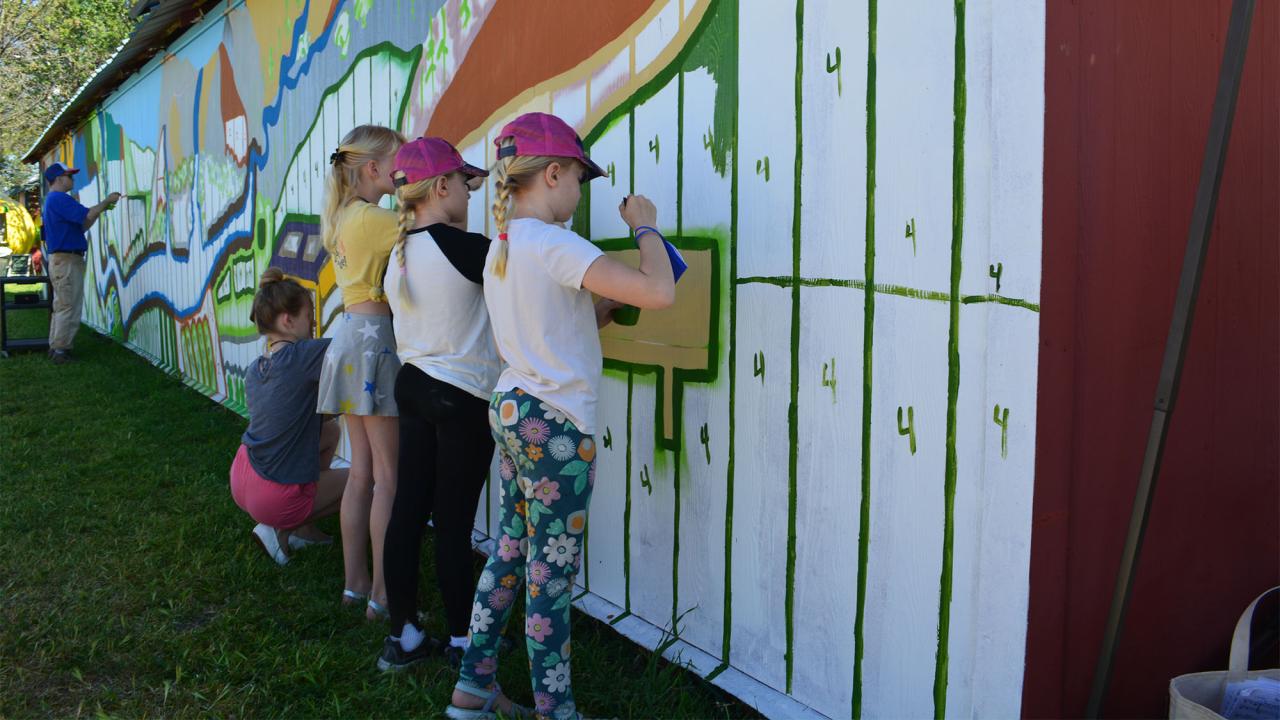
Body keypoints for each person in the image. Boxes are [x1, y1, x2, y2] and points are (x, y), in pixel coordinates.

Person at [446, 112, 676, 720]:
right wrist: (645, 227)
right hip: (557, 428)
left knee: (508, 552)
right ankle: (556, 710)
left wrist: (597, 313)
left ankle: (473, 686)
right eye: (579, 177)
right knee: (549, 577)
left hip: (514, 411)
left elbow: (547, 327)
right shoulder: (555, 243)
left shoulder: (505, 244)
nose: (580, 191)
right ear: (552, 173)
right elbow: (659, 290)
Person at [376, 137, 498, 671]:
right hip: (460, 396)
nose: (471, 194)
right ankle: (463, 640)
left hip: (414, 386)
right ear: (442, 186)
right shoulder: (466, 247)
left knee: (407, 510)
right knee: (453, 523)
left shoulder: (399, 254)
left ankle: (403, 634)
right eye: (466, 184)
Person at [316, 124, 406, 620]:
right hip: (374, 342)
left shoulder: (342, 215)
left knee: (361, 474)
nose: (405, 172)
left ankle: (355, 586)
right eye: (399, 163)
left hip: (348, 338)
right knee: (388, 478)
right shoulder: (375, 218)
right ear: (373, 168)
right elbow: (429, 233)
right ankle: (383, 595)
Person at [230, 268, 349, 565]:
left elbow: (296, 416)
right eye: (309, 317)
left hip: (244, 475)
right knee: (361, 481)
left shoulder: (257, 368)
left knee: (331, 432)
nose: (313, 325)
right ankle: (279, 528)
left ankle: (303, 530)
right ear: (288, 320)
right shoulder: (303, 354)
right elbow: (354, 346)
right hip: (272, 494)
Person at [41, 162, 119, 364]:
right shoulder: (59, 198)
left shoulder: (53, 200)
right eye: (69, 176)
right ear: (59, 179)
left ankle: (55, 347)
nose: (72, 179)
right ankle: (61, 352)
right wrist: (106, 201)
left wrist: (100, 209)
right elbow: (87, 214)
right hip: (67, 260)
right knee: (69, 306)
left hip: (63, 260)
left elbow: (83, 224)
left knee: (62, 305)